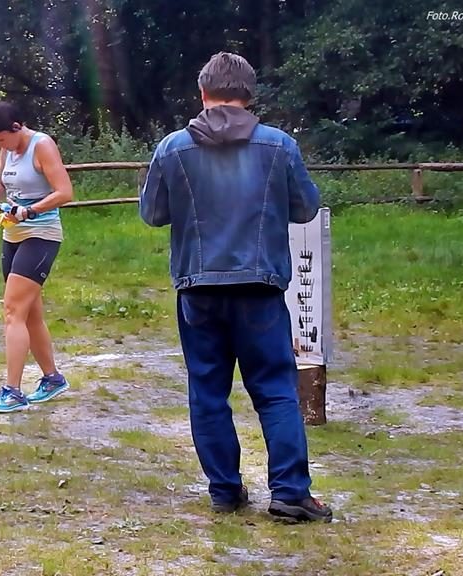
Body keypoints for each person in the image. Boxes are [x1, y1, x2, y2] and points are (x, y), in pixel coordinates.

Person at [139, 53, 332, 523]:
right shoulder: (279, 145)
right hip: (260, 286)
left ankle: (224, 490)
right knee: (276, 390)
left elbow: (152, 214)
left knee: (207, 391)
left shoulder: (172, 148)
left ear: (203, 93)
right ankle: (290, 492)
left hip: (198, 288)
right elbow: (306, 208)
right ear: (249, 94)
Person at [0, 102, 74, 414]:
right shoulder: (8, 149)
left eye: (2, 139)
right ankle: (53, 378)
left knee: (12, 311)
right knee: (29, 314)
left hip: (41, 235)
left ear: (17, 127)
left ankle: (13, 392)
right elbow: (2, 184)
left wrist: (29, 211)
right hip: (12, 235)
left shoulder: (42, 146)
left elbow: (64, 192)